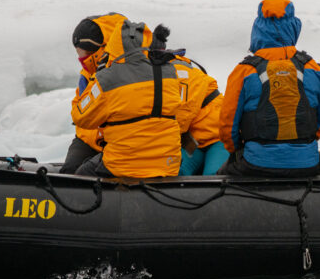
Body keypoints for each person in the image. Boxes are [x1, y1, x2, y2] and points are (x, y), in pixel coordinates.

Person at [69, 13, 219, 178]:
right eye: (79, 53)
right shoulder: (97, 76)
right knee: (72, 172)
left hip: (206, 137)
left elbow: (176, 119)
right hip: (166, 143)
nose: (82, 59)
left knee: (196, 175)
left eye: (85, 53)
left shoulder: (167, 71)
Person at [220, 0, 320, 177]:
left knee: (221, 175)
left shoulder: (243, 71)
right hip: (306, 163)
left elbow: (227, 125)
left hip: (256, 164)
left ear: (258, 30)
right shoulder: (313, 69)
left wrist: (237, 150)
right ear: (294, 28)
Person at [150, 25, 228, 176]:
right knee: (178, 173)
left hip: (218, 137)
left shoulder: (179, 73)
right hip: (194, 140)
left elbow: (181, 118)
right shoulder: (165, 72)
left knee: (212, 178)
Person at [61, 15, 109, 174]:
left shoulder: (117, 72)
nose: (80, 58)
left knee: (84, 175)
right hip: (87, 138)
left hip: (113, 142)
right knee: (69, 171)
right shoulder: (86, 74)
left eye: (81, 53)